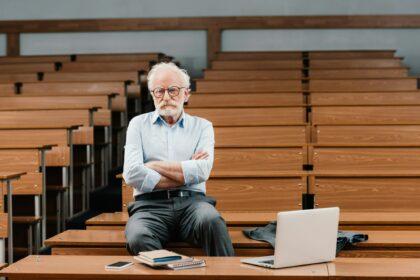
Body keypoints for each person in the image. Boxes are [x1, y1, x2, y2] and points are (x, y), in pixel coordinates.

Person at [123, 62, 234, 256]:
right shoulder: (137, 124)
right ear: (152, 95)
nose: (166, 97)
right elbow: (132, 174)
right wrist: (185, 172)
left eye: (173, 90)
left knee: (213, 221)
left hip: (193, 205)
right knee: (137, 236)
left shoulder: (203, 126)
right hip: (149, 208)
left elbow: (202, 171)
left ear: (186, 94)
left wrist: (151, 165)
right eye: (159, 91)